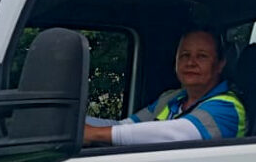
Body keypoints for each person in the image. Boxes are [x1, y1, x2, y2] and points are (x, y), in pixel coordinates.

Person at [84, 26, 246, 145]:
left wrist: (95, 134)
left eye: (202, 56)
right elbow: (124, 126)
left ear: (220, 64)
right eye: (184, 55)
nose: (190, 63)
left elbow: (176, 134)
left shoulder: (228, 107)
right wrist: (73, 125)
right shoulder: (172, 97)